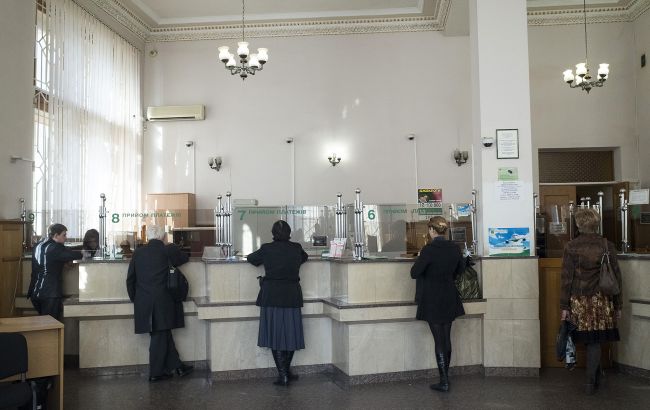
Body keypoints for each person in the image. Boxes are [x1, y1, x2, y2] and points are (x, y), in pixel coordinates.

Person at [560, 208, 622, 395]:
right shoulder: (606, 245)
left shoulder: (571, 246)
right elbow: (616, 277)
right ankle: (595, 376)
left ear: (579, 224)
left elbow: (566, 279)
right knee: (595, 340)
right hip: (602, 300)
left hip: (579, 301)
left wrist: (564, 306)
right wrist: (618, 304)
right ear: (596, 224)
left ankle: (590, 381)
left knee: (590, 341)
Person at [126, 225, 194, 382]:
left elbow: (130, 279)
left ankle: (178, 366)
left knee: (162, 333)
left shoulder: (138, 253)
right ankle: (156, 373)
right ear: (163, 237)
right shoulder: (168, 250)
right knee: (159, 335)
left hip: (143, 301)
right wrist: (171, 246)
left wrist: (136, 299)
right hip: (163, 301)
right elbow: (185, 257)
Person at [246, 220, 308, 386]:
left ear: (273, 233)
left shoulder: (267, 249)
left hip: (272, 296)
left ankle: (283, 375)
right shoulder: (296, 248)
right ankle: (285, 372)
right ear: (289, 233)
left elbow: (251, 259)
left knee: (275, 334)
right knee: (292, 333)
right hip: (292, 296)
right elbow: (304, 258)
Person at [410, 216, 465, 393]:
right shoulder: (455, 248)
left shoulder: (429, 250)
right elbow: (460, 269)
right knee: (446, 337)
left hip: (432, 298)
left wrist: (421, 258)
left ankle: (444, 381)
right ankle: (445, 377)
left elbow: (414, 273)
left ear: (432, 230)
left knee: (438, 339)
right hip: (449, 295)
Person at [28, 223, 83, 321]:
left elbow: (50, 259)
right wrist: (84, 252)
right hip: (50, 293)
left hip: (35, 292)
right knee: (50, 324)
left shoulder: (38, 245)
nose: (66, 238)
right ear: (56, 235)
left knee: (43, 323)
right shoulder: (55, 247)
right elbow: (73, 255)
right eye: (64, 235)